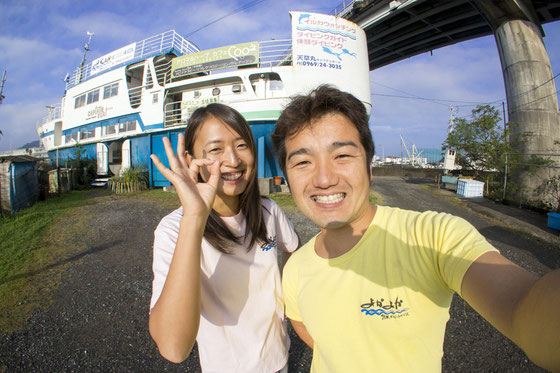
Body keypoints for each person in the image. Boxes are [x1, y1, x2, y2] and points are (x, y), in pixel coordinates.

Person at [271, 85, 560, 372]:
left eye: (343, 156)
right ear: (287, 179)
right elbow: (305, 327)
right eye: (303, 162)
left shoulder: (433, 235)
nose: (323, 178)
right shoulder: (296, 268)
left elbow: (524, 309)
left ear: (369, 168)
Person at [149, 103, 299, 373]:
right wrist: (194, 218)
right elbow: (173, 348)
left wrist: (288, 297)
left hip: (279, 359)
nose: (233, 160)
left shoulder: (268, 210)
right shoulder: (173, 229)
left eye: (242, 145)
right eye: (216, 149)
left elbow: (295, 251)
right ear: (190, 159)